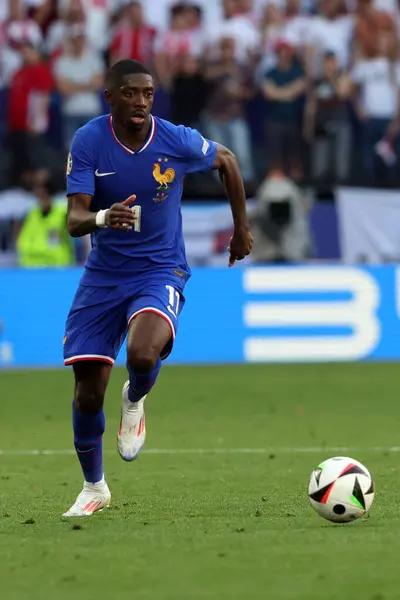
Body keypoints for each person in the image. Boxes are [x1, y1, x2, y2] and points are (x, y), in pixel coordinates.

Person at [62, 58, 253, 517]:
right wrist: (107, 217)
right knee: (88, 392)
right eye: (130, 93)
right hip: (104, 275)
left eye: (148, 94)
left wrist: (241, 230)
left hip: (160, 269)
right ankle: (94, 488)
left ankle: (134, 396)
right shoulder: (88, 140)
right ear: (110, 97)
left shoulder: (175, 139)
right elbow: (74, 220)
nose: (141, 102)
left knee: (143, 354)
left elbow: (226, 160)